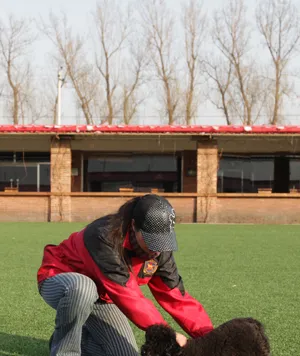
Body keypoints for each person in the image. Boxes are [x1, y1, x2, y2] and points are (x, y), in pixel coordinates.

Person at [37, 194, 213, 356]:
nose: (158, 249)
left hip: (103, 295)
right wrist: (167, 335)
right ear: (134, 225)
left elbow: (175, 296)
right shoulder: (104, 235)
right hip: (60, 277)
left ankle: (76, 338)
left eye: (163, 240)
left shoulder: (160, 250)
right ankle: (65, 350)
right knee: (83, 288)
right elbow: (127, 294)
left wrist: (211, 339)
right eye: (152, 240)